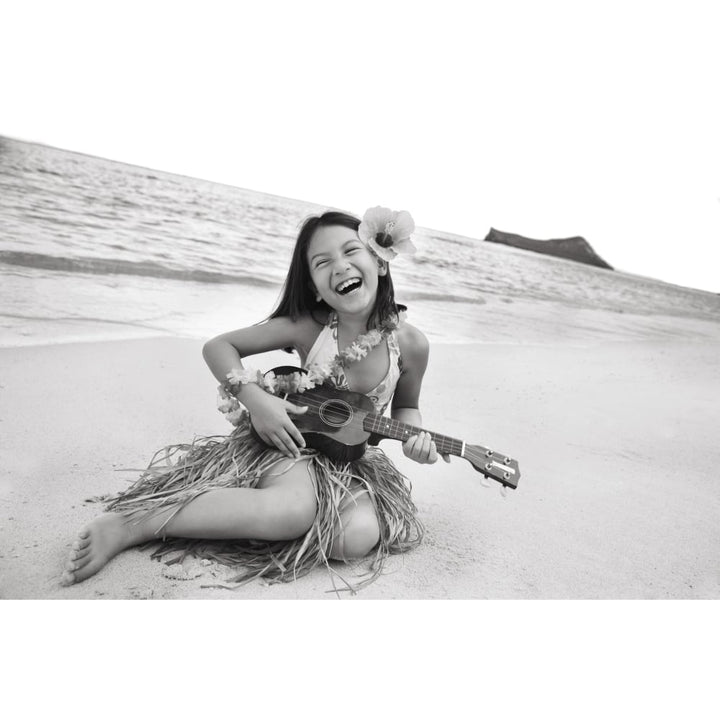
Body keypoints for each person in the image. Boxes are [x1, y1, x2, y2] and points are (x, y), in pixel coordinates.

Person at [60, 207, 446, 592]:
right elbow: (219, 346)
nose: (340, 266)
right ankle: (136, 523)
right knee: (292, 511)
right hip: (290, 443)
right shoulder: (310, 326)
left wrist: (415, 439)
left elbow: (406, 407)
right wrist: (259, 403)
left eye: (350, 251)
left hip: (350, 460)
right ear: (313, 285)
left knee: (357, 537)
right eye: (323, 261)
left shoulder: (410, 344)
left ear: (379, 262)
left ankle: (258, 523)